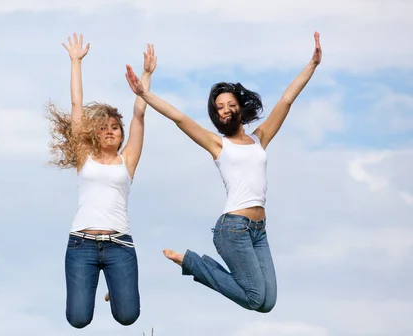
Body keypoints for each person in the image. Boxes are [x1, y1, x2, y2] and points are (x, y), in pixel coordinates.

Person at [124, 32, 322, 313]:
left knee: (267, 303)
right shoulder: (218, 144)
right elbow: (179, 117)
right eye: (220, 108)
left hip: (259, 230)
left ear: (240, 108)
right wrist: (144, 93)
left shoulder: (259, 138)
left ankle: (196, 266)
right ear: (216, 116)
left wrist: (312, 64)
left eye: (231, 105)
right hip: (233, 229)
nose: (226, 110)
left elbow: (287, 100)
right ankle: (191, 262)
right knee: (255, 298)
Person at [46, 33, 157, 328]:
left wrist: (145, 75)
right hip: (81, 244)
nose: (110, 132)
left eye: (115, 129)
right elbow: (76, 105)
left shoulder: (127, 160)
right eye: (104, 128)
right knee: (78, 319)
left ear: (121, 136)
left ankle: (117, 291)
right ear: (95, 133)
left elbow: (138, 115)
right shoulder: (85, 157)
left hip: (120, 245)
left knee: (127, 316)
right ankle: (99, 284)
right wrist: (75, 62)